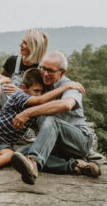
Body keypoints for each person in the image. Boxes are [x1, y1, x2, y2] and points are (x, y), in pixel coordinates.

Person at [11, 51, 101, 185]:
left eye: (51, 71)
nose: (45, 74)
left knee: (51, 120)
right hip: (56, 144)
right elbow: (21, 85)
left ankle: (33, 163)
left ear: (62, 72)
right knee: (20, 154)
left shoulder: (71, 87)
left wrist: (29, 112)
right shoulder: (42, 85)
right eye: (43, 68)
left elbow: (66, 104)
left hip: (79, 141)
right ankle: (76, 166)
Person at [0, 29, 48, 142]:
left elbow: (42, 95)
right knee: (1, 89)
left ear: (33, 47)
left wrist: (19, 92)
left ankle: (25, 128)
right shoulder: (13, 61)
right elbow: (2, 77)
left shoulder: (42, 68)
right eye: (22, 41)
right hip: (9, 104)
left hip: (30, 105)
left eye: (25, 43)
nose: (20, 45)